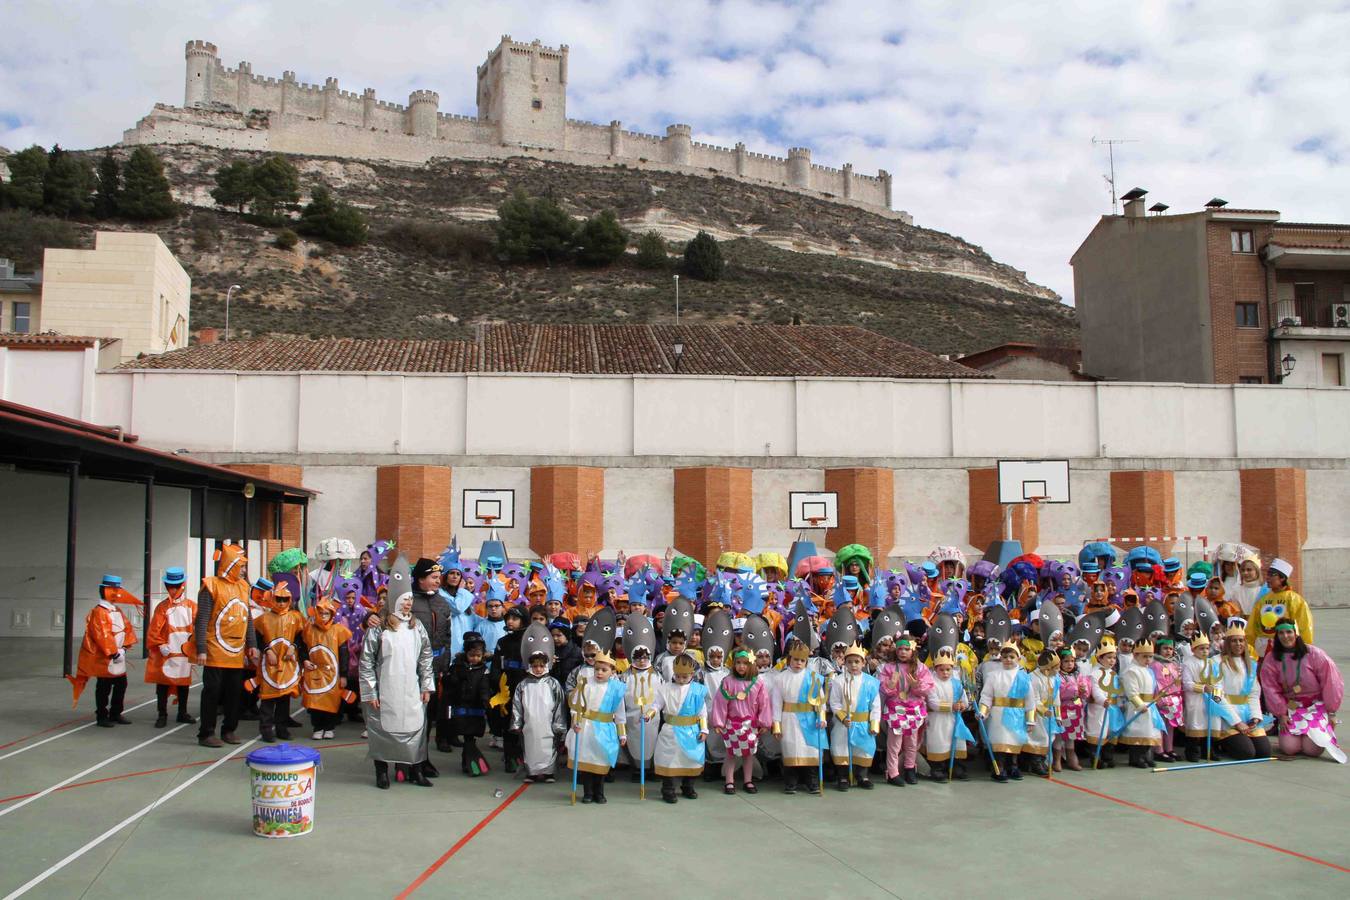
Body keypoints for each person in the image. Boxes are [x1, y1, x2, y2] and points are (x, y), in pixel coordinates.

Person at [360, 591, 435, 789]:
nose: (408, 603)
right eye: (404, 600)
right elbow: (366, 661)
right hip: (386, 688)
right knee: (381, 730)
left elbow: (425, 657)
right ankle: (381, 771)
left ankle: (416, 770)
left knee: (415, 729)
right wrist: (370, 692)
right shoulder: (378, 628)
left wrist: (427, 685)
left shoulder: (416, 626)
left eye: (410, 599)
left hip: (411, 689)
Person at [194, 543, 257, 748]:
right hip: (214, 649)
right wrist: (201, 648)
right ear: (231, 565)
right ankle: (206, 732)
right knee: (212, 691)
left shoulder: (243, 587)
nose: (245, 570)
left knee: (234, 692)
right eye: (242, 566)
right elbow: (202, 619)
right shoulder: (211, 586)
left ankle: (229, 729)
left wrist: (252, 644)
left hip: (236, 651)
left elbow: (247, 617)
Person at [1259, 617, 1345, 762]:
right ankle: (1296, 734)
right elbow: (1270, 688)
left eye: (1289, 632)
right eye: (1281, 633)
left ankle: (1322, 730)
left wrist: (1331, 712)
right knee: (1289, 748)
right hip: (1291, 707)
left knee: (1312, 750)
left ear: (1296, 633)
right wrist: (1282, 714)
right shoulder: (1272, 658)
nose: (1285, 636)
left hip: (1315, 706)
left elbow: (1331, 682)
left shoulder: (1314, 654)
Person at [67, 574, 140, 726]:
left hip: (119, 655)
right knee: (104, 686)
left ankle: (116, 712)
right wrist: (113, 652)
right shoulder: (99, 612)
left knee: (121, 684)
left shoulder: (116, 610)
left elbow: (127, 629)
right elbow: (102, 635)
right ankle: (101, 715)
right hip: (104, 657)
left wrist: (124, 648)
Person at [407, 558, 451, 773]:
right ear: (420, 579)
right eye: (433, 577)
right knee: (411, 716)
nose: (437, 581)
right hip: (411, 669)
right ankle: (406, 759)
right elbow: (385, 620)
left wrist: (444, 663)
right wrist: (370, 617)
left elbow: (446, 636)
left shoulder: (441, 602)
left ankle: (422, 758)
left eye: (438, 577)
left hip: (434, 669)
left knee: (428, 716)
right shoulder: (407, 601)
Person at [568, 650, 628, 804]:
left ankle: (599, 792)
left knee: (601, 762)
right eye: (597, 669)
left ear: (612, 671)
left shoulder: (617, 688)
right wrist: (576, 722)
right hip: (586, 728)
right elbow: (576, 706)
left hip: (605, 729)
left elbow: (620, 713)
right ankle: (588, 793)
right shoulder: (585, 684)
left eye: (604, 670)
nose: (599, 673)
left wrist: (622, 734)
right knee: (587, 761)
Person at [710, 648, 773, 795]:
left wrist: (764, 722)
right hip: (732, 723)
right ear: (733, 664)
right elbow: (720, 702)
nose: (741, 666)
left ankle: (748, 780)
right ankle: (729, 781)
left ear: (751, 664)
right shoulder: (727, 682)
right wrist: (719, 723)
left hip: (750, 724)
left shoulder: (757, 683)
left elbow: (764, 703)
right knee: (731, 753)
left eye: (745, 663)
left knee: (748, 753)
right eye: (738, 663)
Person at [771, 639, 828, 795]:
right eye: (796, 659)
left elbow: (820, 701)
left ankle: (812, 781)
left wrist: (821, 717)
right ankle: (791, 782)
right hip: (789, 719)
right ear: (790, 659)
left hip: (809, 719)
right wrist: (776, 724)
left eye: (802, 660)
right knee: (791, 750)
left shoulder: (814, 678)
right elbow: (776, 703)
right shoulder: (780, 678)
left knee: (810, 751)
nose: (798, 663)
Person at [1209, 620, 1271, 761]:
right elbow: (1216, 695)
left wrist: (1255, 717)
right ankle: (1222, 743)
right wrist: (1237, 722)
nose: (1238, 644)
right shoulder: (1217, 662)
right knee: (1246, 753)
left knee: (1264, 752)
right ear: (1228, 643)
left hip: (1247, 713)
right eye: (1234, 641)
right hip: (1226, 716)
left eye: (1241, 641)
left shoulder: (1250, 663)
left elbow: (1254, 693)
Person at [144, 567, 198, 729]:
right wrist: (159, 644)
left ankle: (182, 712)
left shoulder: (191, 606)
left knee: (183, 683)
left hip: (184, 653)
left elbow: (198, 627)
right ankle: (162, 714)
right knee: (162, 683)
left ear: (183, 585)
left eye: (175, 586)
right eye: (170, 586)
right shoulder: (162, 607)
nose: (172, 590)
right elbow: (154, 629)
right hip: (166, 653)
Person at [653, 653, 710, 803]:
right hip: (671, 731)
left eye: (685, 677)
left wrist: (704, 729)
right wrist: (649, 713)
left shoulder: (697, 690)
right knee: (669, 760)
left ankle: (688, 786)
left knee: (690, 760)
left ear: (692, 674)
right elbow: (657, 704)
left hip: (691, 731)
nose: (681, 680)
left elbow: (702, 712)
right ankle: (668, 789)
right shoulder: (665, 688)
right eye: (678, 676)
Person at [511, 641, 567, 783]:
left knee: (548, 746)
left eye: (541, 666)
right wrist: (517, 722)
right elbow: (517, 705)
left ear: (546, 666)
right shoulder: (523, 685)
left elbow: (559, 705)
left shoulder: (553, 684)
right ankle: (531, 772)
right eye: (535, 666)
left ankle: (548, 772)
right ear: (530, 666)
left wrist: (559, 724)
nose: (538, 669)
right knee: (530, 747)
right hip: (529, 724)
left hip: (547, 723)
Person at [878, 634, 931, 786]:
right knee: (894, 744)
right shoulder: (888, 668)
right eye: (900, 649)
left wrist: (917, 686)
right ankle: (892, 773)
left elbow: (928, 687)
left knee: (911, 742)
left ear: (912, 650)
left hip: (913, 710)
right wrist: (890, 685)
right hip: (896, 710)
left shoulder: (920, 667)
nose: (903, 652)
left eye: (906, 649)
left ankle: (909, 769)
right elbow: (883, 687)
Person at [828, 644, 881, 791]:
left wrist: (874, 724)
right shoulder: (839, 681)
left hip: (863, 723)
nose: (853, 665)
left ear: (863, 663)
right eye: (850, 662)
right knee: (842, 748)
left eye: (857, 662)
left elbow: (876, 705)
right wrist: (842, 717)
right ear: (844, 662)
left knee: (863, 749)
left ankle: (862, 776)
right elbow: (835, 702)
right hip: (845, 723)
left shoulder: (871, 682)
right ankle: (843, 777)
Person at [300, 596, 352, 740]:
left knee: (332, 699)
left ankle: (329, 727)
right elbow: (303, 648)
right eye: (321, 613)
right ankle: (317, 727)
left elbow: (344, 654)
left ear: (332, 614)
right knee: (315, 700)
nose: (323, 616)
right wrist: (304, 660)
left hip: (333, 674)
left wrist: (343, 675)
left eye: (326, 613)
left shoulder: (338, 630)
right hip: (314, 671)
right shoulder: (309, 630)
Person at [980, 640, 1031, 781]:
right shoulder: (994, 675)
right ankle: (999, 768)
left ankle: (1013, 766)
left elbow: (1030, 699)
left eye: (1012, 657)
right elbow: (987, 695)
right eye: (1005, 657)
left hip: (1017, 714)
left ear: (1018, 659)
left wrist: (1030, 719)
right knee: (1000, 741)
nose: (1008, 660)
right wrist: (983, 711)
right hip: (998, 714)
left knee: (1014, 740)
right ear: (1000, 658)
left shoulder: (1024, 677)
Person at [924, 647, 974, 781]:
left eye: (948, 669)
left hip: (954, 719)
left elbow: (964, 699)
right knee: (939, 743)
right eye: (942, 670)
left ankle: (958, 768)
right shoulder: (932, 683)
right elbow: (933, 703)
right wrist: (951, 706)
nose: (945, 673)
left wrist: (963, 705)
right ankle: (938, 769)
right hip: (938, 719)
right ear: (935, 669)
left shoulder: (957, 683)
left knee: (956, 742)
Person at [445, 634, 492, 776]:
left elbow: (484, 687)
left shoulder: (483, 670)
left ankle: (467, 761)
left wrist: (485, 700)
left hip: (475, 708)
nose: (475, 659)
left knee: (471, 735)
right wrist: (454, 677)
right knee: (466, 734)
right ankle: (469, 760)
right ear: (466, 654)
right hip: (461, 707)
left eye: (478, 656)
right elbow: (450, 684)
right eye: (472, 655)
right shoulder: (458, 668)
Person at [1247, 559, 1314, 658]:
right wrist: (1248, 647)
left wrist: (1304, 648)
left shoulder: (1294, 599)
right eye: (1267, 574)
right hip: (1262, 649)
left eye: (1271, 575)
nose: (1267, 578)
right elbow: (1252, 626)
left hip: (1287, 647)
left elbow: (1304, 626)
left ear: (1282, 578)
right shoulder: (1262, 600)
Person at [1118, 640, 1165, 768]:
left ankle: (1146, 756)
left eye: (1150, 656)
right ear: (1135, 655)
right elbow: (1131, 692)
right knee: (1139, 734)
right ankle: (1136, 758)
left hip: (1150, 704)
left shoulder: (1148, 670)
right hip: (1138, 706)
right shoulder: (1131, 671)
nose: (1148, 659)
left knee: (1150, 733)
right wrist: (1139, 705)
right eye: (1144, 656)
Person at [1054, 647, 1090, 771]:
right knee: (1059, 735)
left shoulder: (1077, 675)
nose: (1070, 664)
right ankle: (1057, 759)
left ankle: (1071, 757)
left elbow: (1084, 693)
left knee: (1071, 736)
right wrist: (1074, 689)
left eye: (1072, 661)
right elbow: (1059, 692)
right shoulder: (1057, 676)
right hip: (1062, 708)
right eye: (1066, 661)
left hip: (1075, 709)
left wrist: (1083, 691)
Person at [1152, 638, 1184, 762]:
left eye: (1170, 649)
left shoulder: (1173, 664)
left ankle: (1169, 748)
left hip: (1173, 700)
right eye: (1165, 648)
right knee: (1160, 725)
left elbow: (1177, 684)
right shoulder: (1156, 665)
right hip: (1162, 700)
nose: (1168, 651)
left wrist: (1177, 698)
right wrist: (1160, 700)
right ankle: (1158, 750)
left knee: (1170, 725)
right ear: (1159, 649)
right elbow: (1157, 683)